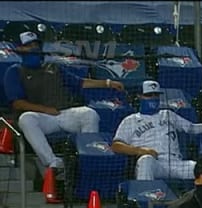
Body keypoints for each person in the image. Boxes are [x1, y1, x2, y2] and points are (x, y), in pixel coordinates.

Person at [3, 31, 124, 177]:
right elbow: (18, 104)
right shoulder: (15, 71)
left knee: (89, 114)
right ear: (20, 49)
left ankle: (88, 157)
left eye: (36, 45)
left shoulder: (53, 67)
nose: (33, 48)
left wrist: (108, 83)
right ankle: (53, 162)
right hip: (42, 117)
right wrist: (45, 109)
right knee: (26, 119)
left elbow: (80, 83)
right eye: (28, 46)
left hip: (64, 113)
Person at [112, 80, 202, 181]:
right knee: (145, 161)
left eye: (156, 95)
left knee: (201, 168)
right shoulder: (130, 120)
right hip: (155, 162)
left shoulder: (168, 114)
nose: (153, 98)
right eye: (149, 95)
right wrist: (140, 150)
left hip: (176, 163)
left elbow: (192, 128)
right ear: (139, 96)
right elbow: (116, 145)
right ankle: (146, 201)